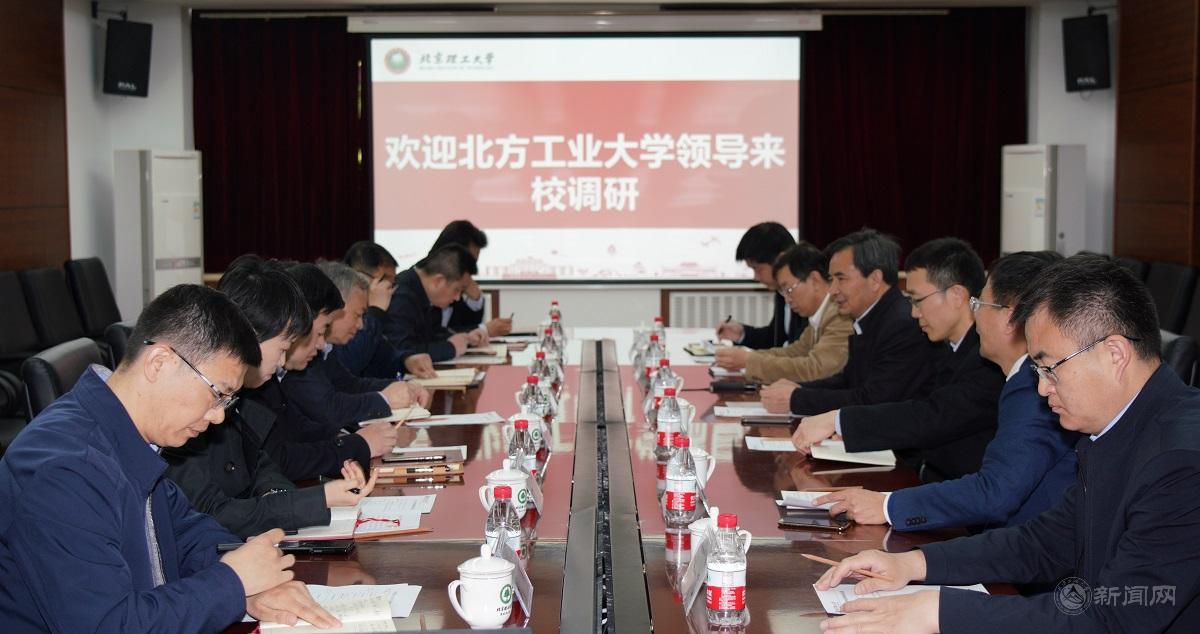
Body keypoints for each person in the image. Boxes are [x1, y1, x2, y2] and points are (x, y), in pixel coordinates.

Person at [816, 254, 1200, 633]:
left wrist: (941, 612)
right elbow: (1045, 542)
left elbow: (1116, 617)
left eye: (1050, 368)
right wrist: (914, 564)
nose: (1042, 388)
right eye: (1036, 370)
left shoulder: (1183, 463)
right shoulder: (1117, 426)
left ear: (1115, 354)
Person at [0, 284, 340, 631]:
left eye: (227, 402)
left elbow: (186, 530)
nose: (218, 417)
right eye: (217, 394)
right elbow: (109, 625)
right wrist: (233, 582)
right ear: (159, 363)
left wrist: (248, 579)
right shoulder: (64, 469)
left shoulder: (126, 436)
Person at [813, 251, 1078, 530]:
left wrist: (888, 506)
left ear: (1011, 316)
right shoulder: (1012, 373)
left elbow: (994, 493)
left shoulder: (1031, 384)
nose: (975, 315)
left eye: (979, 304)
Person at [163, 257, 375, 538]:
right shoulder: (190, 405)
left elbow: (262, 465)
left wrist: (295, 500)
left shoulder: (240, 396)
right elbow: (212, 513)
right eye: (283, 348)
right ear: (251, 338)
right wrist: (313, 501)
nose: (282, 362)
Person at [791, 238, 1004, 481]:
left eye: (917, 300)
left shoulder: (987, 358)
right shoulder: (948, 347)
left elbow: (930, 416)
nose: (913, 312)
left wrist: (838, 421)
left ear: (956, 296)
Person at [760, 228, 943, 415]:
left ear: (875, 279)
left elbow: (873, 400)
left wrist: (797, 398)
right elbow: (848, 380)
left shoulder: (902, 324)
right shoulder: (872, 317)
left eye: (841, 279)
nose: (833, 290)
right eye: (832, 279)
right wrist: (798, 388)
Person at [714, 243, 852, 384]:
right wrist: (747, 357)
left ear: (815, 280)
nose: (787, 300)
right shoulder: (821, 315)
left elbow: (815, 369)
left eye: (789, 290)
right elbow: (794, 352)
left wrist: (750, 361)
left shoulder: (840, 315)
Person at [339, 240, 436, 379]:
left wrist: (406, 360)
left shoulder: (373, 314)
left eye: (392, 283)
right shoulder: (339, 312)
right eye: (385, 281)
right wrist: (376, 310)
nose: (390, 290)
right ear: (360, 277)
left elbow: (382, 354)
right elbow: (352, 364)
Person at [385, 244, 478, 364]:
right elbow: (402, 350)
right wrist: (450, 348)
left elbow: (428, 337)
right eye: (457, 290)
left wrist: (464, 337)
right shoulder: (401, 297)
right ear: (438, 281)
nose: (457, 298)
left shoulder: (419, 290)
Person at [714, 222, 800, 349]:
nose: (756, 277)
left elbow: (801, 353)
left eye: (757, 268)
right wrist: (741, 334)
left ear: (780, 260)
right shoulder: (781, 292)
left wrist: (749, 359)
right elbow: (774, 339)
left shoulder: (805, 295)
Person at [430, 220, 513, 338]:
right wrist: (485, 330)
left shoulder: (457, 284)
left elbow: (464, 327)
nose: (470, 268)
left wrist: (475, 299)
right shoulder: (418, 287)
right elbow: (432, 336)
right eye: (468, 261)